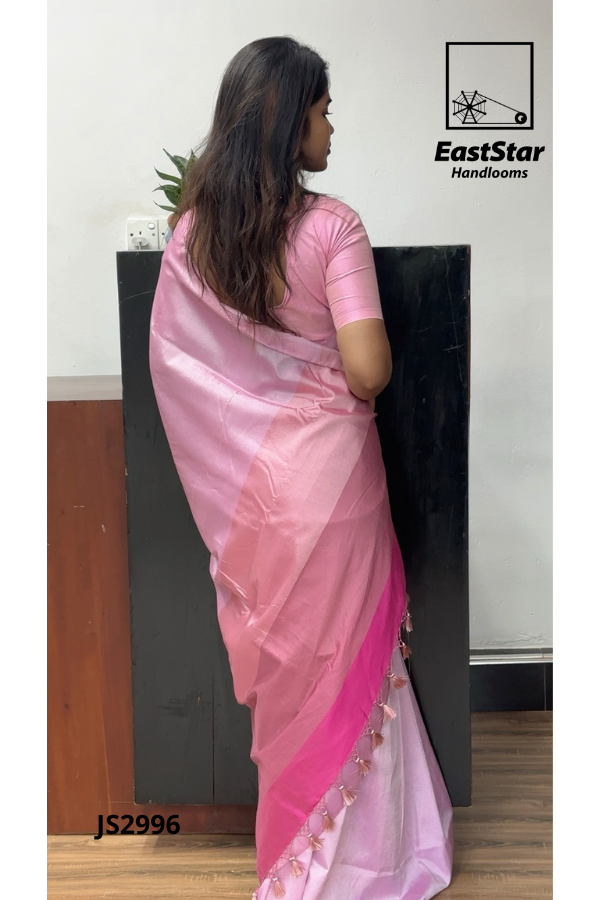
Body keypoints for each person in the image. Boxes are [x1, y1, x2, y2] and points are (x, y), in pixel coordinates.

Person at [149, 36, 453, 900]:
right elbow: (367, 370)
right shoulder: (332, 227)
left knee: (295, 687)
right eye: (323, 110)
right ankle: (378, 860)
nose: (332, 127)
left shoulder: (192, 237)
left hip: (256, 507)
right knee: (355, 672)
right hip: (330, 486)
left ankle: (298, 865)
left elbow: (180, 368)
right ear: (290, 123)